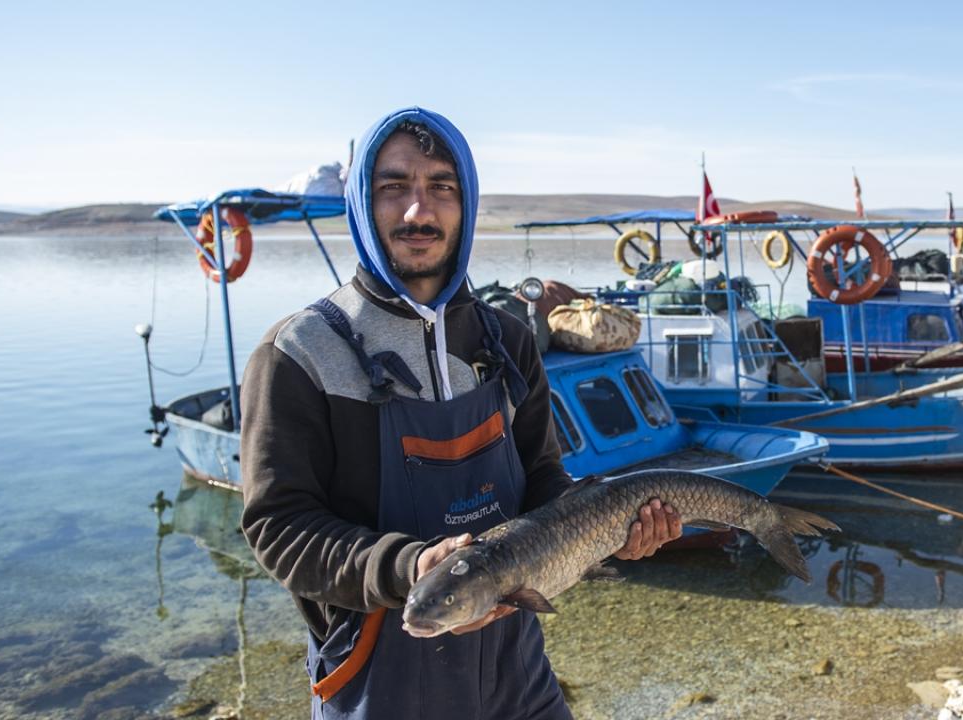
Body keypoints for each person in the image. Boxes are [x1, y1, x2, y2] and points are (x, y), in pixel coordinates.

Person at [239, 106, 682, 720]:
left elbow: (543, 481)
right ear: (363, 204)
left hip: (517, 672)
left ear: (466, 202)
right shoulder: (300, 354)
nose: (418, 211)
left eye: (441, 187)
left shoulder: (506, 340)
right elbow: (277, 527)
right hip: (380, 680)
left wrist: (609, 531)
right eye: (393, 187)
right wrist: (409, 566)